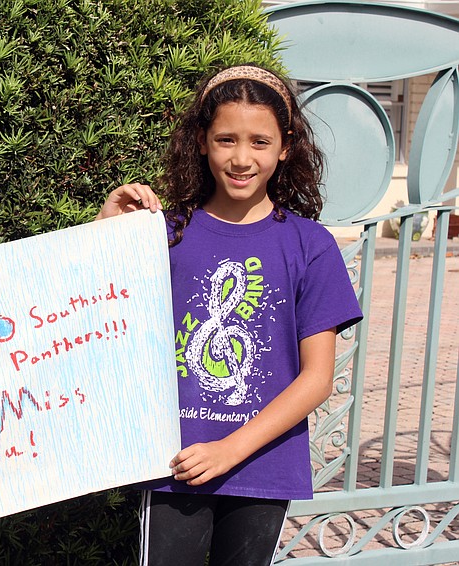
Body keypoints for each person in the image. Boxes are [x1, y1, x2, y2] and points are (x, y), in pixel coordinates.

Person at [97, 64, 363, 565]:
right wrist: (107, 232)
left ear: (285, 147)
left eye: (260, 142)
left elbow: (317, 379)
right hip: (174, 464)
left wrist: (230, 449)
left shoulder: (310, 245)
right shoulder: (163, 233)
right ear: (201, 142)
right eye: (226, 140)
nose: (242, 158)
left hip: (264, 465)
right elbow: (97, 318)